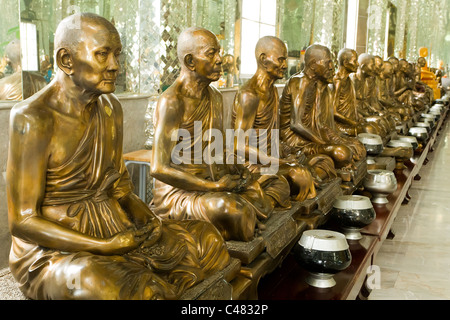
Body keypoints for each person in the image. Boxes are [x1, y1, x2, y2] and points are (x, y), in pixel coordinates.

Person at [7, 13, 230, 300]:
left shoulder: (110, 108)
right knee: (121, 287)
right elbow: (23, 222)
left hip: (114, 227)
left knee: (208, 241)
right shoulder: (33, 118)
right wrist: (103, 246)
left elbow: (120, 190)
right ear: (66, 60)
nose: (115, 66)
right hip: (55, 251)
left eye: (117, 55)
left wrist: (149, 220)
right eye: (103, 55)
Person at [151, 27, 278, 242]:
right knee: (232, 209)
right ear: (190, 61)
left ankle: (232, 225)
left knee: (259, 195)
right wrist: (214, 187)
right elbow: (158, 168)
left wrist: (237, 169)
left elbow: (218, 150)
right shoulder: (172, 101)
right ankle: (227, 229)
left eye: (219, 52)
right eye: (212, 54)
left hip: (211, 182)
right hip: (180, 192)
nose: (220, 60)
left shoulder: (215, 97)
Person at [232, 36, 317, 203]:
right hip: (251, 165)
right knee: (299, 178)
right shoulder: (249, 94)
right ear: (263, 59)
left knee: (308, 168)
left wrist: (288, 152)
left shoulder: (271, 91)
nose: (285, 66)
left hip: (270, 159)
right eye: (281, 60)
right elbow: (238, 145)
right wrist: (278, 161)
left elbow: (272, 136)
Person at [279, 44, 365, 178]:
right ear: (313, 65)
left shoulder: (319, 85)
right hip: (296, 141)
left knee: (356, 146)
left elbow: (320, 124)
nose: (331, 67)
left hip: (313, 136)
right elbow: (296, 124)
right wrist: (325, 144)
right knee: (342, 153)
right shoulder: (300, 82)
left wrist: (337, 139)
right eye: (328, 63)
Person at [332, 48, 380, 137]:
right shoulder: (337, 81)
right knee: (370, 130)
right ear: (346, 62)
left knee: (375, 127)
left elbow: (352, 106)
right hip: (340, 125)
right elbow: (333, 112)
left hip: (351, 121)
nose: (357, 64)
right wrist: (353, 123)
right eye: (355, 61)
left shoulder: (348, 80)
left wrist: (357, 118)